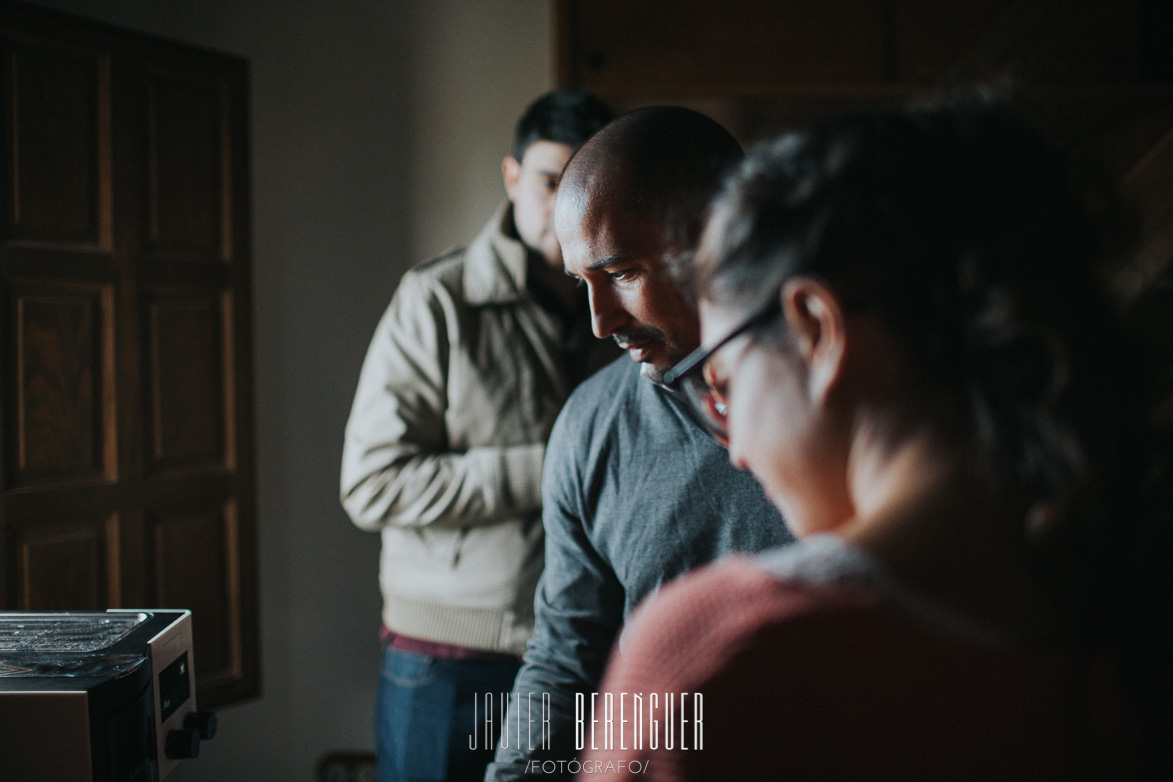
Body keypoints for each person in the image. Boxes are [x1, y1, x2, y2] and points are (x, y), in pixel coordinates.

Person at [582, 100, 1173, 780]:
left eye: (722, 382)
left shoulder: (722, 650)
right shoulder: (1122, 607)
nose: (735, 446)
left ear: (814, 331)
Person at [486, 107, 793, 782]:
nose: (600, 323)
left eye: (620, 272)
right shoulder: (588, 426)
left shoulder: (843, 406)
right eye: (582, 284)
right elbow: (565, 655)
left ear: (719, 233)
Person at [340, 89, 615, 782]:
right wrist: (551, 465)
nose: (565, 204)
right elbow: (370, 484)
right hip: (444, 659)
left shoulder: (624, 306)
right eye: (553, 180)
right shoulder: (435, 299)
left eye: (587, 182)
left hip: (584, 653)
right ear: (513, 177)